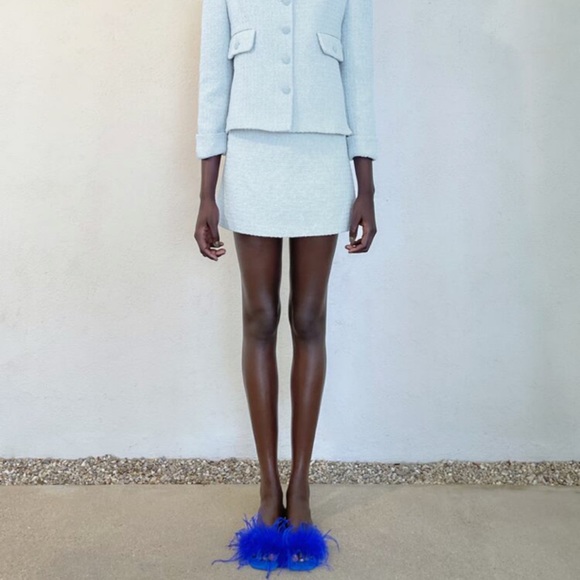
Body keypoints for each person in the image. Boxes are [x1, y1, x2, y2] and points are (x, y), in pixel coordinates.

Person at [195, 0, 378, 573]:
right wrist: (206, 191)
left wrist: (366, 186)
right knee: (258, 317)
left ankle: (300, 487)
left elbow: (360, 76)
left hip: (322, 154)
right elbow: (213, 77)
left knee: (309, 318)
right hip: (251, 153)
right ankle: (267, 486)